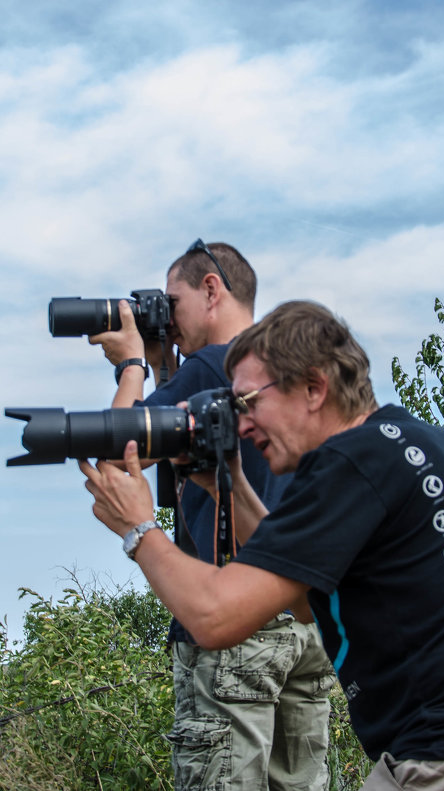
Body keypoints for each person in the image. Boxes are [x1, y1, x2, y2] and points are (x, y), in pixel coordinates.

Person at [79, 300, 444, 791]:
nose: (241, 426)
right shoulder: (420, 442)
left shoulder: (346, 465)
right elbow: (298, 602)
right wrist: (232, 488)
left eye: (248, 402)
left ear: (315, 387)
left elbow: (216, 617)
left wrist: (139, 528)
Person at [88, 242, 333, 791]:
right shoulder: (286, 374)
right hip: (303, 617)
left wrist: (130, 366)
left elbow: (117, 455)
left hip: (233, 611)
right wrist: (162, 368)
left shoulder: (207, 368)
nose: (167, 318)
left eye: (171, 302)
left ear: (211, 290)